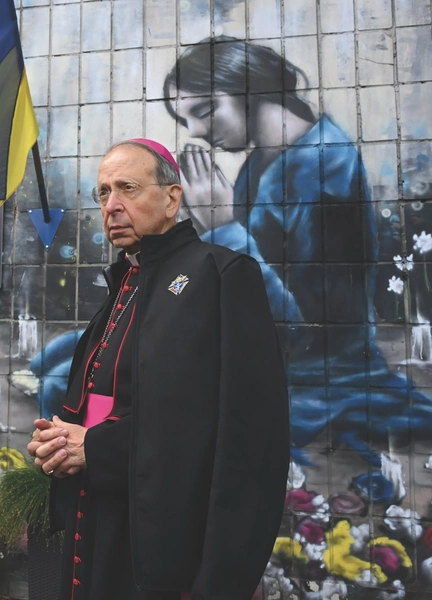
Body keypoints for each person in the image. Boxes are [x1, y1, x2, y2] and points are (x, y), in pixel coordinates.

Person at [28, 138, 290, 600]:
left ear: (172, 198)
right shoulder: (124, 283)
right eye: (103, 192)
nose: (112, 205)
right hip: (99, 511)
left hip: (163, 525)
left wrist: (97, 446)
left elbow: (237, 429)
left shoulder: (220, 274)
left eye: (127, 188)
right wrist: (59, 442)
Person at [163, 38, 432, 465]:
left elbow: (312, 325)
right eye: (186, 119)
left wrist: (224, 228)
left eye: (205, 110)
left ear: (249, 87)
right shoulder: (263, 162)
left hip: (318, 372)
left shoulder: (323, 168)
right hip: (262, 356)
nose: (195, 132)